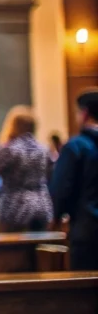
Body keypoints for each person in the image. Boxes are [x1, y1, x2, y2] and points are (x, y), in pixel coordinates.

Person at [50, 88, 98, 270]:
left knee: (85, 288)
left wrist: (55, 218)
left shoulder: (76, 146)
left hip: (87, 227)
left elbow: (62, 188)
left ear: (84, 113)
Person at [0, 106, 53, 232]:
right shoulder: (44, 150)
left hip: (15, 204)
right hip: (41, 202)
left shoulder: (10, 149)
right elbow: (51, 174)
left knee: (12, 247)